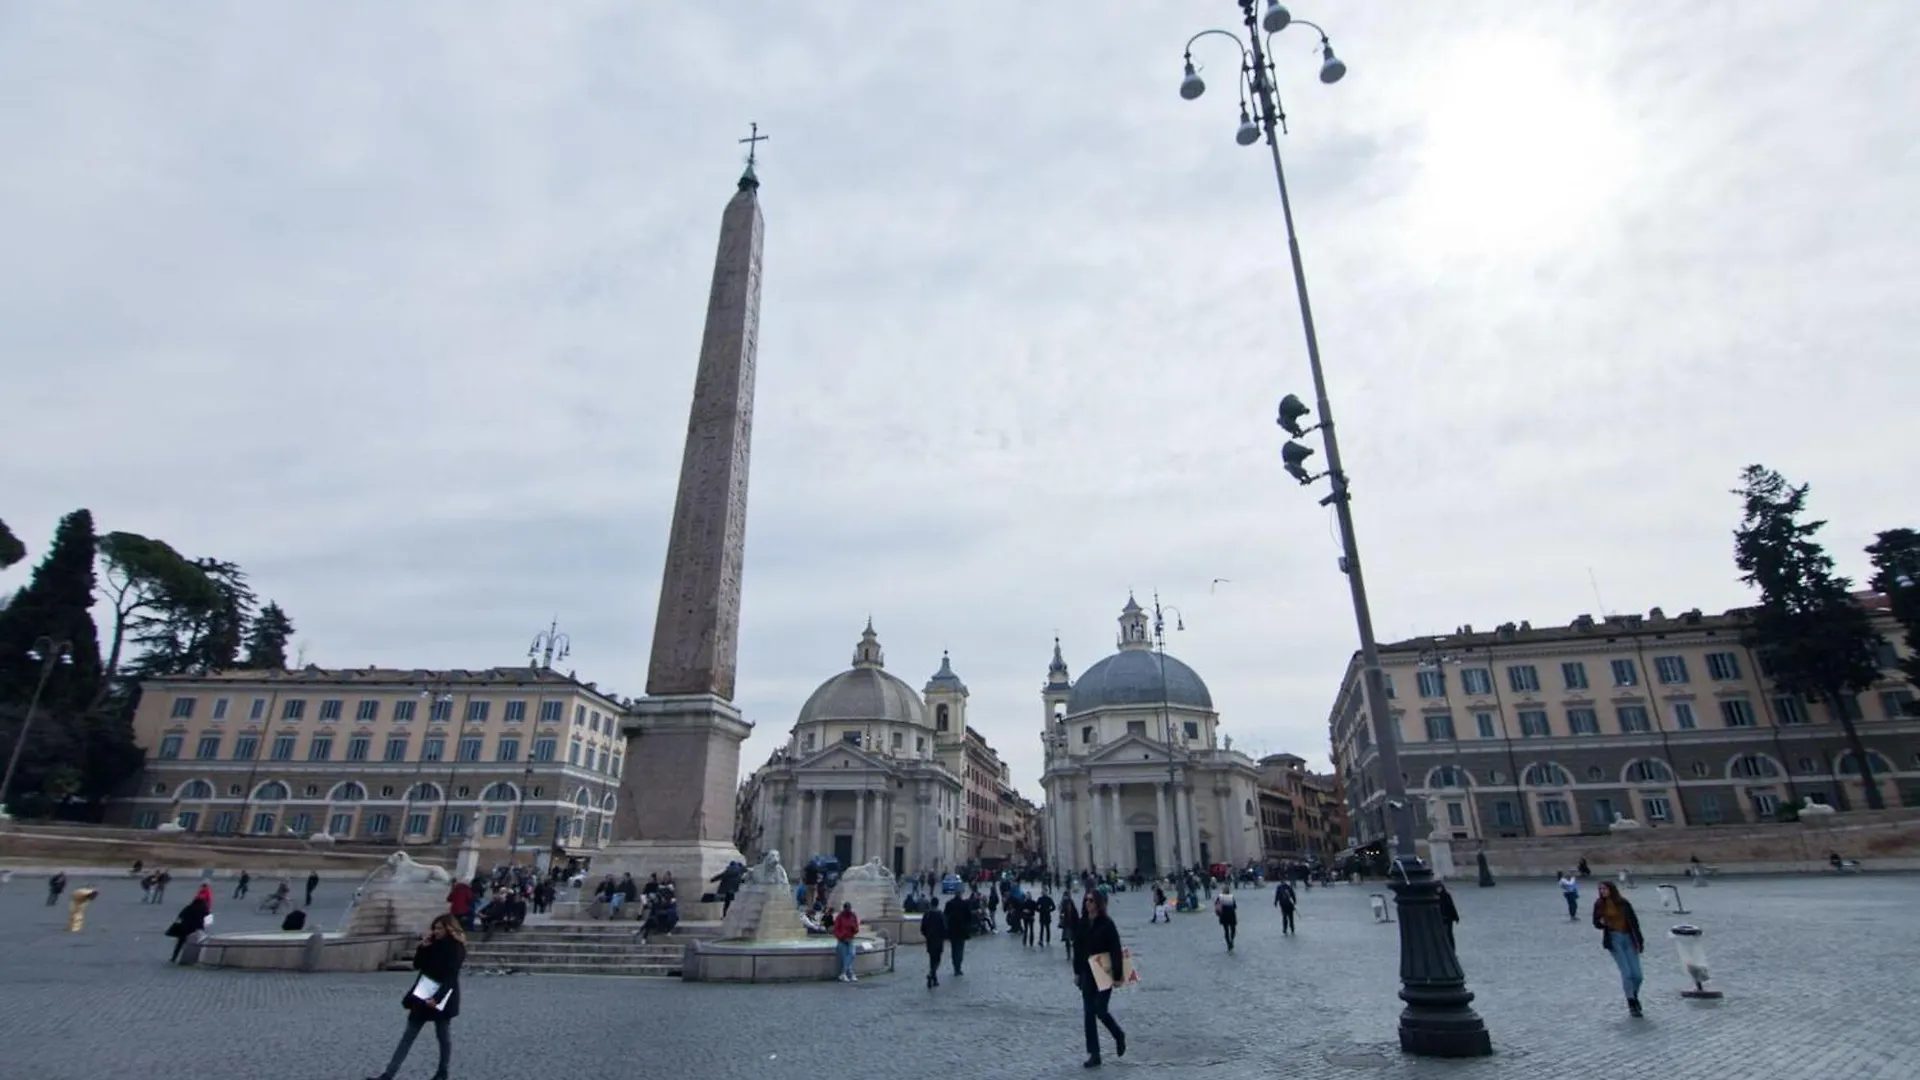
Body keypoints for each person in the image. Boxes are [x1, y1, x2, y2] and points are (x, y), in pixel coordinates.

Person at [366, 914, 467, 1080]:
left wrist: (437, 998)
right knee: (408, 1035)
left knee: (443, 1036)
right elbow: (418, 965)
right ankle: (388, 1074)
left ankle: (442, 1072)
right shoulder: (432, 944)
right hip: (424, 992)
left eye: (439, 928)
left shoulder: (456, 947)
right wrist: (422, 948)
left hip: (443, 995)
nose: (436, 931)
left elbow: (451, 976)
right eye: (434, 928)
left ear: (449, 929)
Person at [1072, 890, 1127, 1068]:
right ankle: (1094, 1054)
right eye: (1086, 900)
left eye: (1091, 900)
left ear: (1098, 903)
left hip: (1104, 971)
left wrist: (1118, 975)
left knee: (1101, 1010)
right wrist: (1077, 972)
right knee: (1088, 1013)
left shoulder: (1107, 924)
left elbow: (1115, 949)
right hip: (1087, 972)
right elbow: (1078, 948)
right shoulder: (1083, 923)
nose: (1087, 903)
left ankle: (1118, 1034)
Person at [1591, 880, 1646, 1017]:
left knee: (1637, 975)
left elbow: (1634, 922)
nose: (1602, 891)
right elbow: (1596, 923)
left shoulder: (1623, 903)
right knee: (1627, 973)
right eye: (1600, 889)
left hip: (1629, 938)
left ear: (1611, 890)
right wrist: (1601, 922)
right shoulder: (1599, 904)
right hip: (1614, 939)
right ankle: (1631, 1002)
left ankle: (1633, 994)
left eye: (1604, 889)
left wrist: (1639, 941)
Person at [165, 893, 210, 963]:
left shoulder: (189, 907)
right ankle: (195, 958)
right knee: (198, 943)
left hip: (185, 928)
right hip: (197, 929)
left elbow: (180, 915)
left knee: (180, 944)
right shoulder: (204, 909)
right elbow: (208, 919)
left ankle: (174, 957)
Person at [943, 890, 973, 977]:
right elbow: (969, 917)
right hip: (961, 930)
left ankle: (955, 966)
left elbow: (945, 916)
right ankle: (958, 967)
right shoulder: (964, 904)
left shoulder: (949, 903)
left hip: (952, 930)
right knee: (960, 949)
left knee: (954, 949)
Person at [831, 902, 861, 983]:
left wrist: (854, 929)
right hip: (842, 940)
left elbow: (857, 927)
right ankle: (850, 974)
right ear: (844, 909)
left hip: (850, 938)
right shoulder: (839, 917)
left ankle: (843, 973)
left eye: (849, 909)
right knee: (846, 957)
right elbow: (836, 929)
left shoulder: (853, 916)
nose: (849, 910)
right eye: (847, 909)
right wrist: (841, 937)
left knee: (852, 954)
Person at [921, 901, 948, 988]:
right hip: (938, 939)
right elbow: (944, 927)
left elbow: (922, 928)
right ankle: (931, 973)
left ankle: (934, 977)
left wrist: (927, 935)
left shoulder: (927, 915)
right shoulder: (940, 915)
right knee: (937, 959)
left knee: (932, 959)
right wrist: (944, 936)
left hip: (930, 939)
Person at [1214, 886, 1239, 951]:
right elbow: (1234, 906)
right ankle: (1232, 940)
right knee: (1233, 929)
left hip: (1223, 915)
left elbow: (1216, 904)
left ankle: (1228, 943)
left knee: (1226, 930)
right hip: (1231, 915)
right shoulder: (1231, 897)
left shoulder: (1220, 897)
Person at [1437, 882, 1460, 949]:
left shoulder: (1442, 896)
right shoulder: (1444, 896)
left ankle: (1450, 947)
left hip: (1447, 918)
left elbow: (1451, 906)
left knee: (1448, 934)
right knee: (1447, 934)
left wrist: (1456, 917)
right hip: (1446, 918)